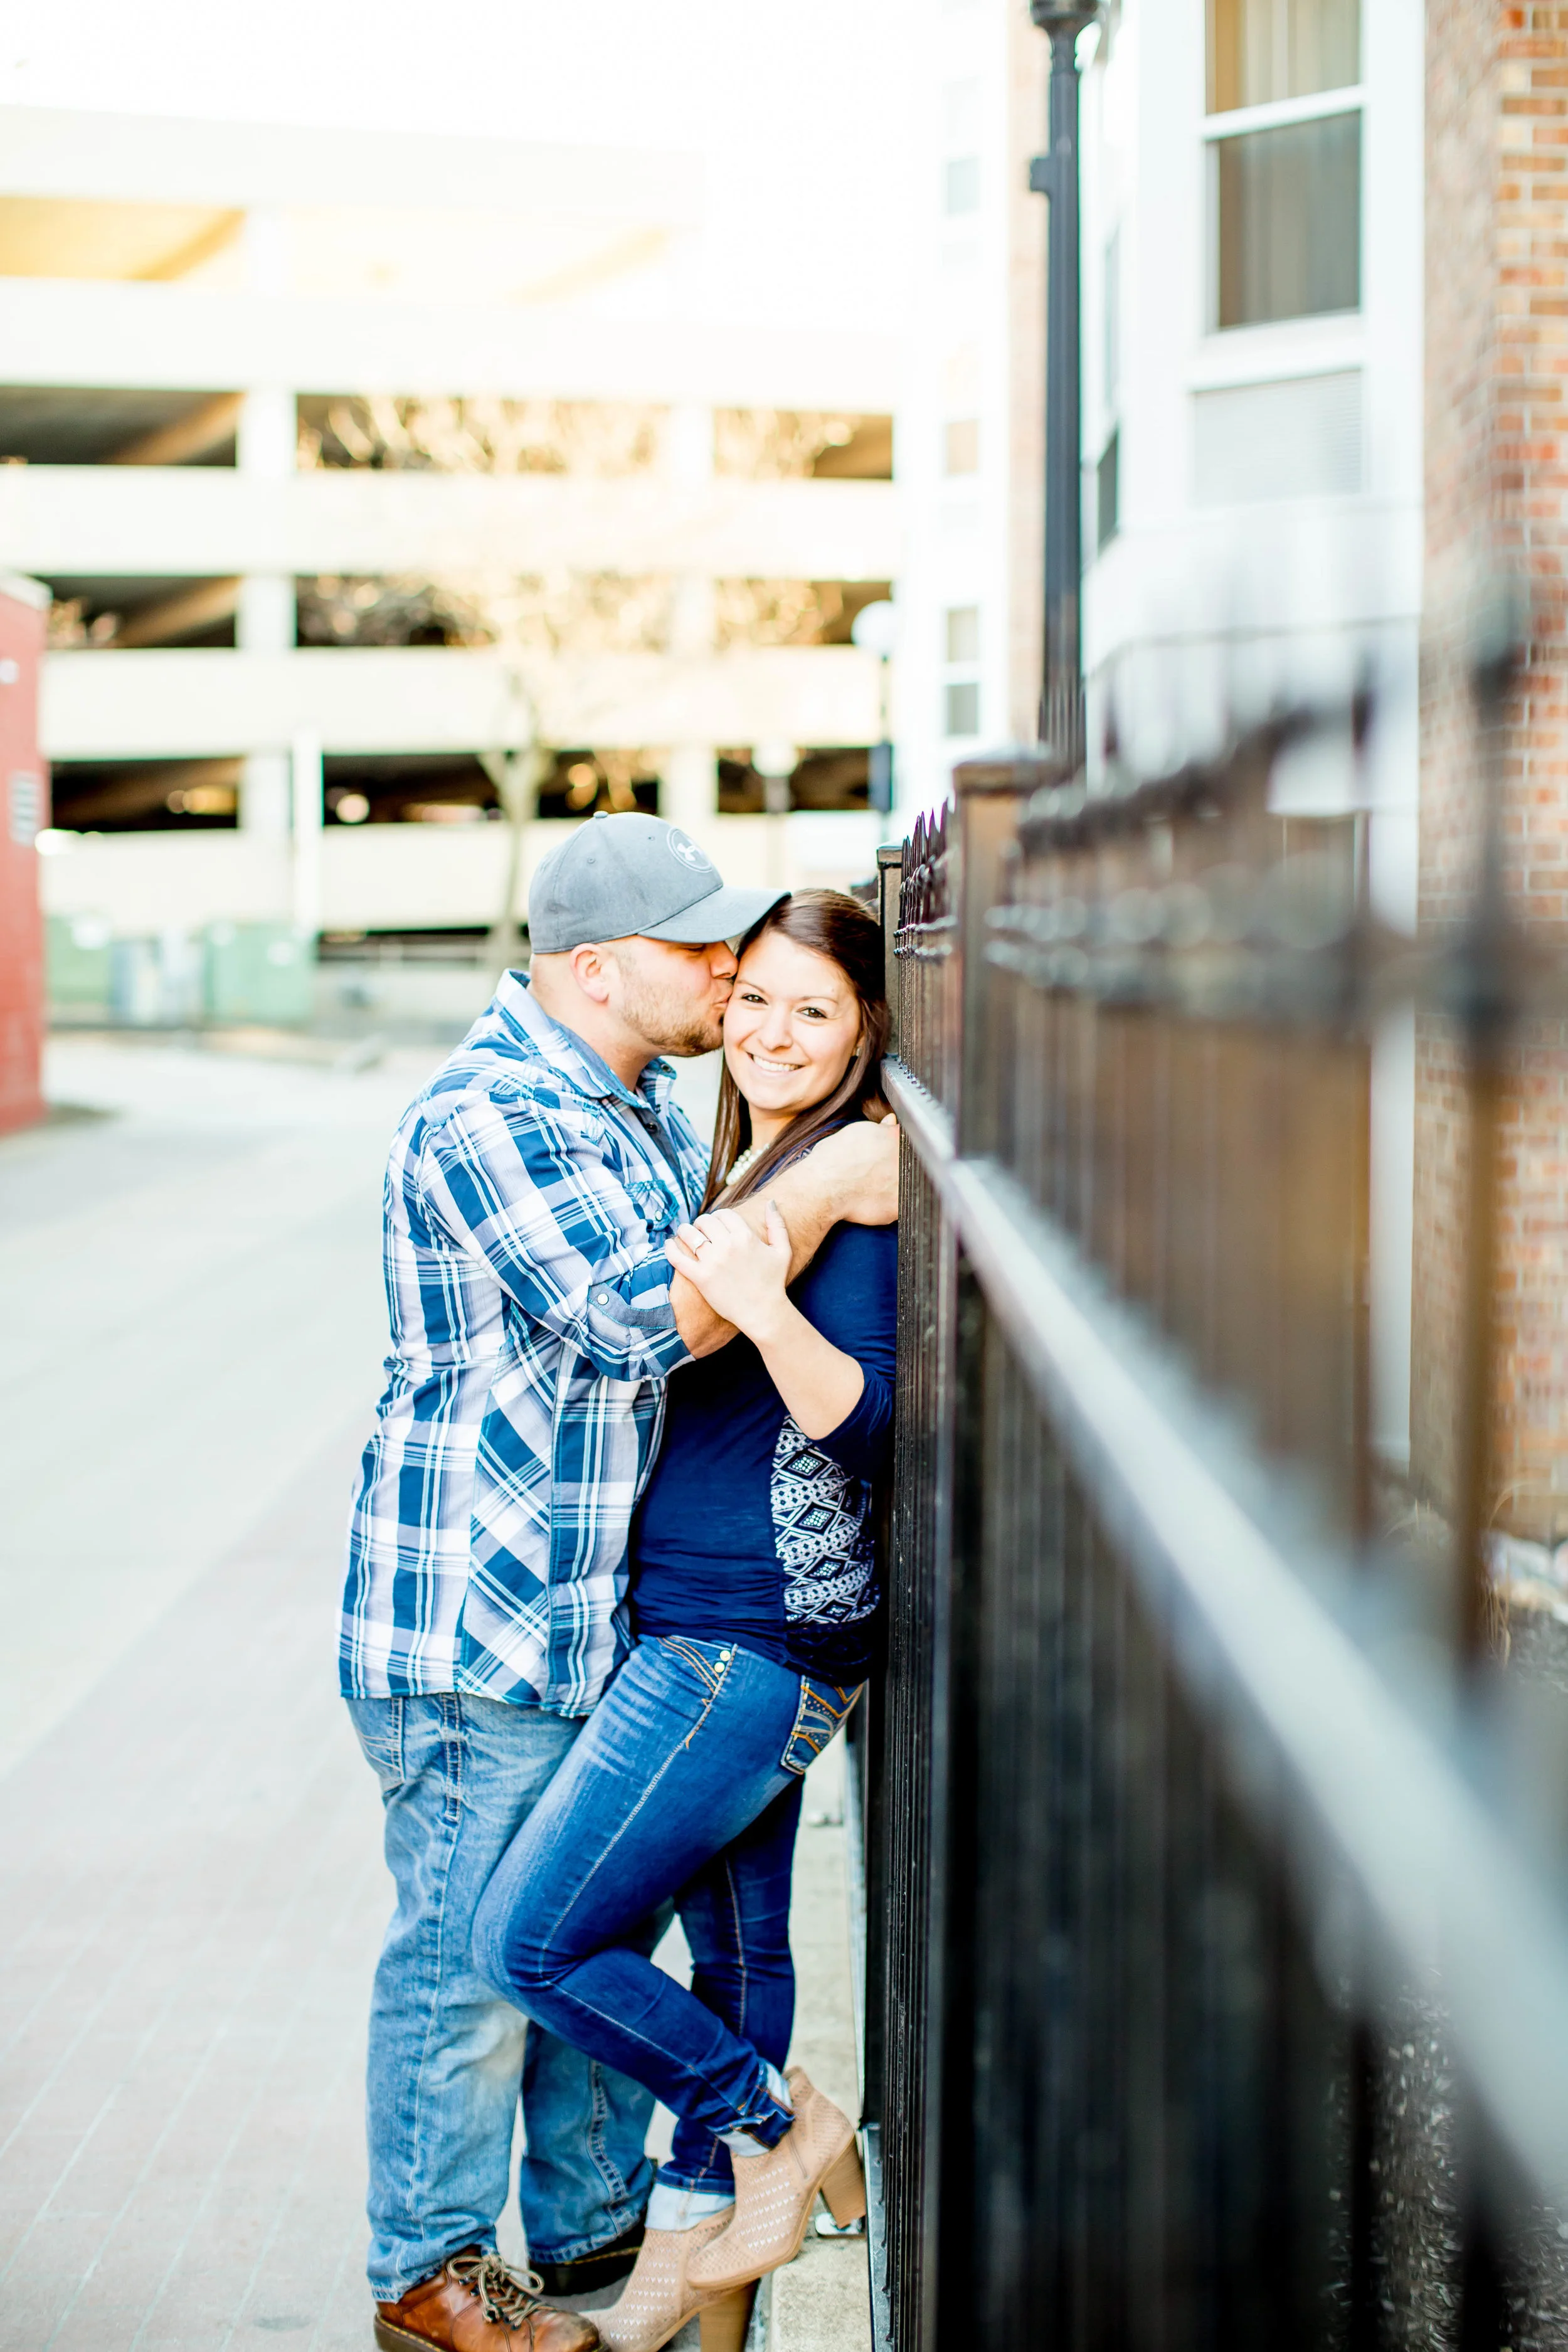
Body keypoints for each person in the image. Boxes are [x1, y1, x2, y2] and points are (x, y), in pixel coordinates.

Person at [341, 819, 898, 2352]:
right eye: (700, 949)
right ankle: (429, 2275)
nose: (729, 975)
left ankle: (586, 2232)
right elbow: (641, 1319)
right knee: (474, 1964)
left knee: (590, 1932)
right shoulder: (495, 1114)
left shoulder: (633, 1102)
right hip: (478, 1616)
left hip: (593, 1613)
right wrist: (835, 1179)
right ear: (595, 969)